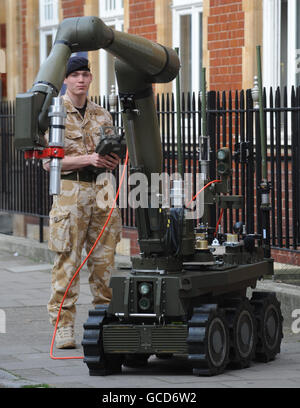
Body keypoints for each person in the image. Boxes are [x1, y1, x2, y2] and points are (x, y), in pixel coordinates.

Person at [43, 56, 122, 349]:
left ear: (90, 79)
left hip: (102, 191)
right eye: (74, 75)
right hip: (71, 193)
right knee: (68, 262)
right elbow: (49, 162)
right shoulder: (54, 113)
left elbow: (112, 150)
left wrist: (112, 159)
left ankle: (102, 322)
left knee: (104, 264)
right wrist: (88, 158)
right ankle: (63, 327)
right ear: (65, 80)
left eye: (84, 75)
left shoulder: (102, 114)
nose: (80, 80)